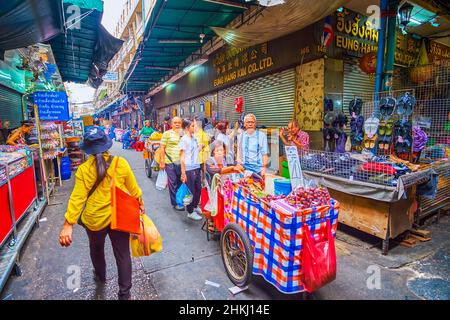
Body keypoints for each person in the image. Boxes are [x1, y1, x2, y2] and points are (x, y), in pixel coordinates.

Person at [59, 127, 144, 300]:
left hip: (94, 220)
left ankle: (100, 276)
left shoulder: (83, 170)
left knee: (96, 249)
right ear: (107, 144)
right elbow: (134, 191)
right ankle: (125, 294)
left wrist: (68, 224)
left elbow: (78, 198)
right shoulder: (121, 163)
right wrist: (140, 206)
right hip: (119, 216)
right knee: (122, 254)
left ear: (88, 149)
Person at [179, 119, 203, 221]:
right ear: (187, 128)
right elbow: (182, 157)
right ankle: (190, 211)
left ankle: (195, 206)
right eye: (193, 126)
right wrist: (183, 172)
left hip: (196, 166)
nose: (195, 127)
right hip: (188, 168)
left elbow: (193, 152)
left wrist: (200, 147)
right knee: (191, 191)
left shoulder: (194, 138)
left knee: (198, 189)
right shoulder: (184, 139)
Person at [160, 117, 184, 211]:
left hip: (181, 162)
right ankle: (175, 203)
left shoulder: (184, 133)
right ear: (171, 124)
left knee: (180, 182)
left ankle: (180, 200)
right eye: (175, 122)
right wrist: (162, 161)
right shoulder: (167, 134)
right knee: (173, 182)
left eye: (179, 122)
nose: (177, 124)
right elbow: (162, 147)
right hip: (170, 161)